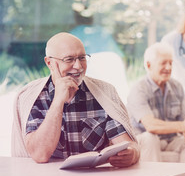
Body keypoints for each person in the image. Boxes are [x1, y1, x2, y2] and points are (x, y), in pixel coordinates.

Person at [12, 32, 139, 168]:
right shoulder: (32, 96)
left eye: (82, 58)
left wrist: (132, 154)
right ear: (49, 63)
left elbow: (128, 144)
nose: (78, 66)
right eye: (69, 59)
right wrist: (58, 101)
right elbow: (40, 154)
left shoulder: (104, 93)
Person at [126, 42, 185, 164]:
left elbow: (183, 120)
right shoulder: (138, 89)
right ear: (149, 65)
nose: (168, 68)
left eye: (171, 63)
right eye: (163, 63)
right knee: (150, 138)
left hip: (170, 140)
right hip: (145, 140)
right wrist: (183, 126)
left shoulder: (177, 87)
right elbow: (151, 126)